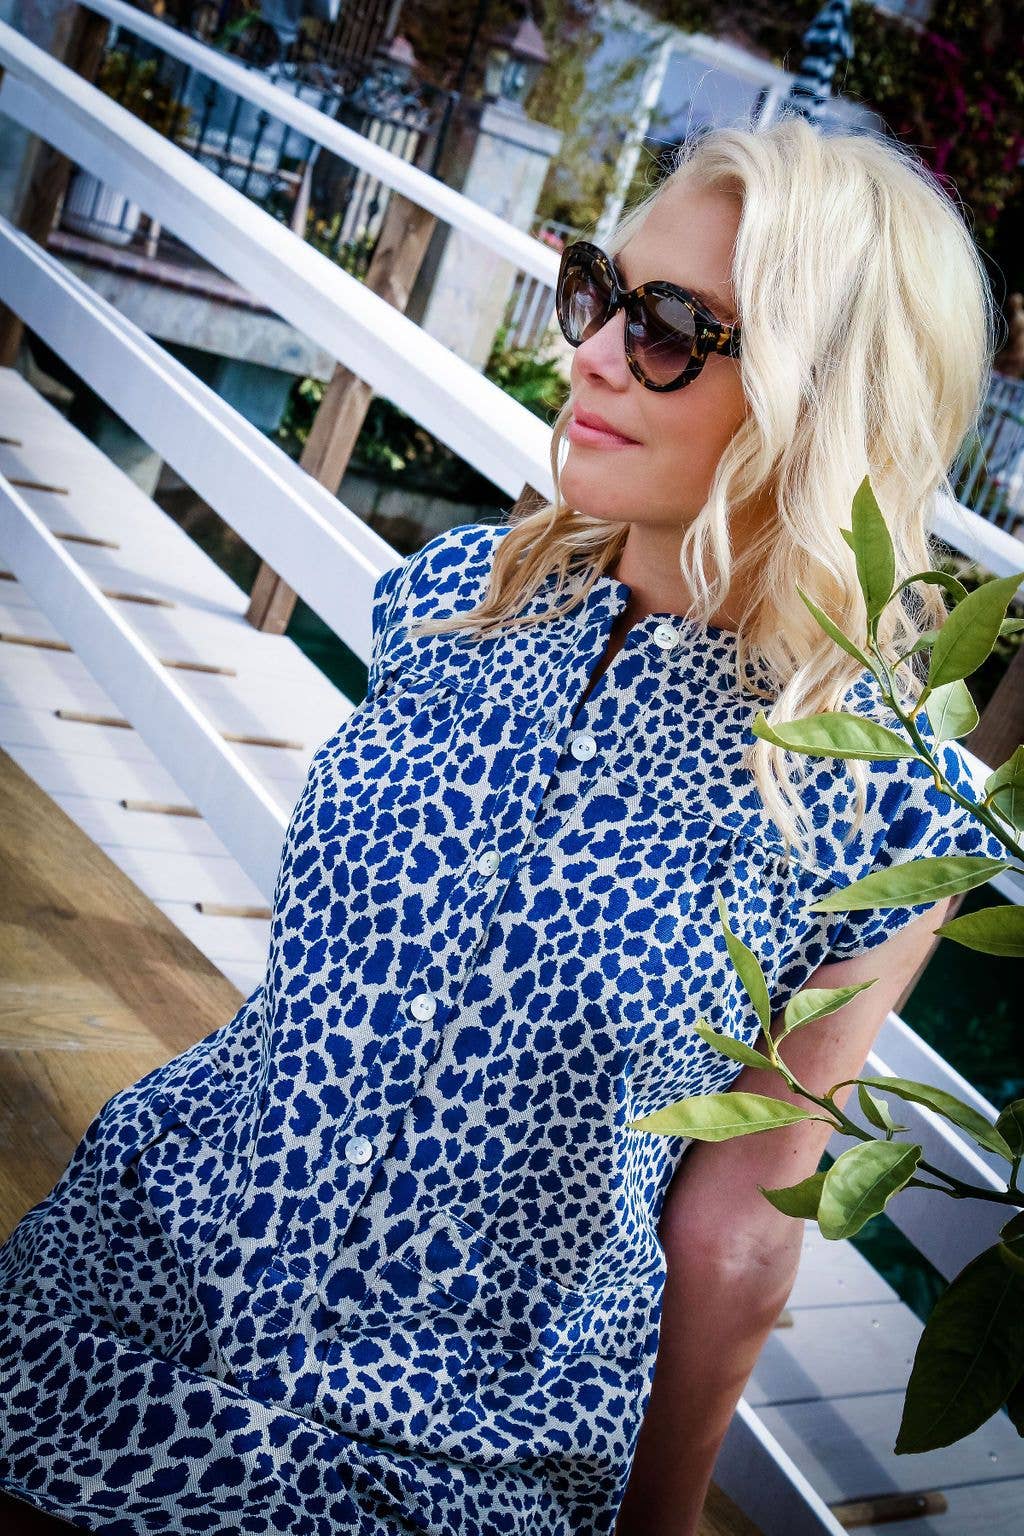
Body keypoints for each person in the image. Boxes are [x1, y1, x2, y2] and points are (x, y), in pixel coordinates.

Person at [0, 111, 1012, 1536]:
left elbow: (740, 1228)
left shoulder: (878, 807)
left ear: (821, 396)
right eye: (601, 292)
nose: (591, 352)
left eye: (669, 328)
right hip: (128, 1287)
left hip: (449, 1451)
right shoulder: (455, 600)